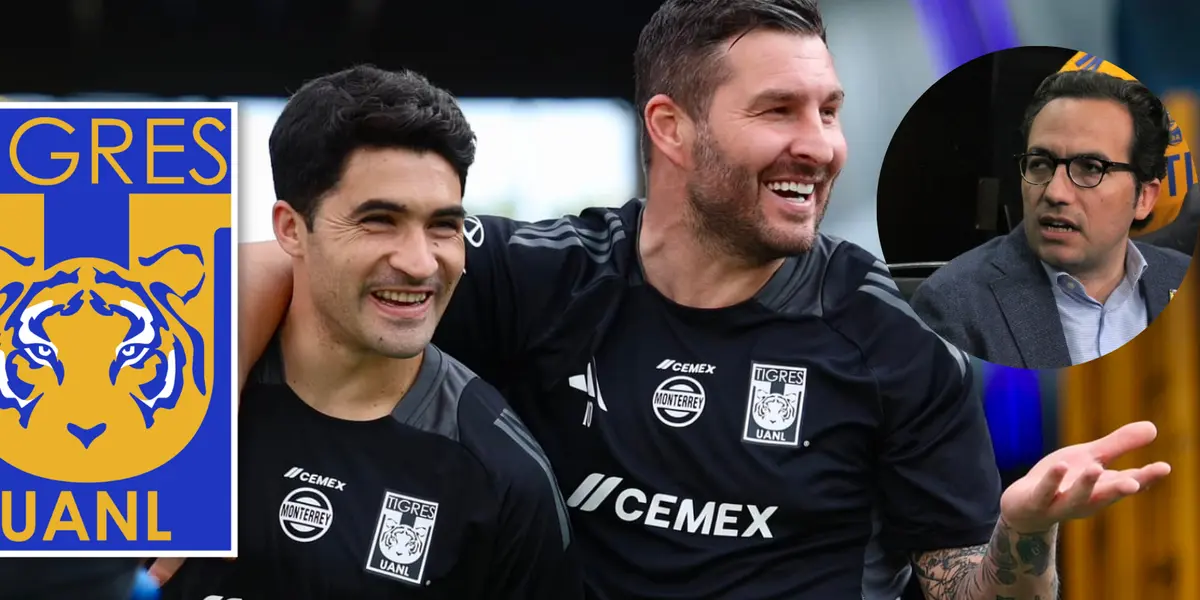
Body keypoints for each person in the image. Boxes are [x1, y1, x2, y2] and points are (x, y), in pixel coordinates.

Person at [173, 2, 1170, 599]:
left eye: (829, 110)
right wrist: (174, 491)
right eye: (778, 110)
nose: (820, 144)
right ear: (671, 127)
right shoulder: (547, 275)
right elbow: (265, 268)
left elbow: (969, 593)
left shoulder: (895, 340)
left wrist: (1023, 540)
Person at [155, 65, 583, 599]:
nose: (420, 262)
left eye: (444, 225)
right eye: (379, 220)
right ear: (291, 229)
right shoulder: (153, 404)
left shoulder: (501, 475)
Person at [911, 70, 1191, 369]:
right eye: (1040, 164)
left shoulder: (1183, 278)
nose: (1055, 192)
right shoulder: (952, 306)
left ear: (1144, 197)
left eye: (1090, 168)